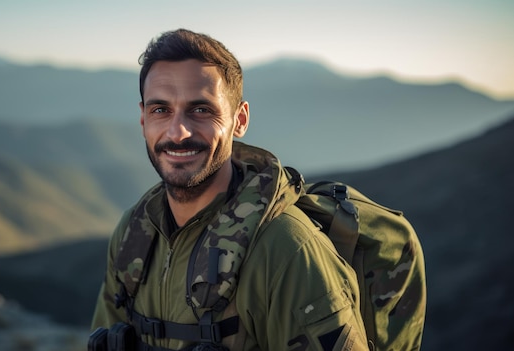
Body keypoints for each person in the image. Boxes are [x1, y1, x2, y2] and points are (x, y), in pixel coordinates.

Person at [91, 28, 369, 351]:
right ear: (142, 119)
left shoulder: (286, 251)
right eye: (160, 110)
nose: (178, 131)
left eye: (201, 110)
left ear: (239, 119)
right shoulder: (133, 235)